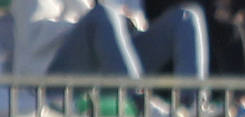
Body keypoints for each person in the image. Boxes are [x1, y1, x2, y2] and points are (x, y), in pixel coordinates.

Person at [13, 0, 208, 83]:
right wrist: (88, 25)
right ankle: (143, 107)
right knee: (103, 16)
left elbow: (138, 25)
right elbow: (35, 35)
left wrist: (128, 22)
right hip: (51, 73)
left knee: (186, 17)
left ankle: (194, 110)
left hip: (111, 67)